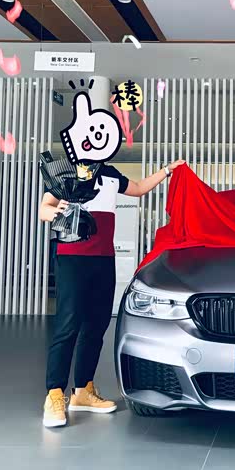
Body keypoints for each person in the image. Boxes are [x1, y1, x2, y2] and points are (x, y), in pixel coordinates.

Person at [39, 158, 185, 428]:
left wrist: (167, 171)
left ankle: (82, 391)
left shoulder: (109, 173)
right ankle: (55, 394)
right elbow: (43, 209)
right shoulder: (68, 171)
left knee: (96, 326)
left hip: (104, 259)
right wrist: (56, 211)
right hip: (72, 258)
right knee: (68, 326)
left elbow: (138, 188)